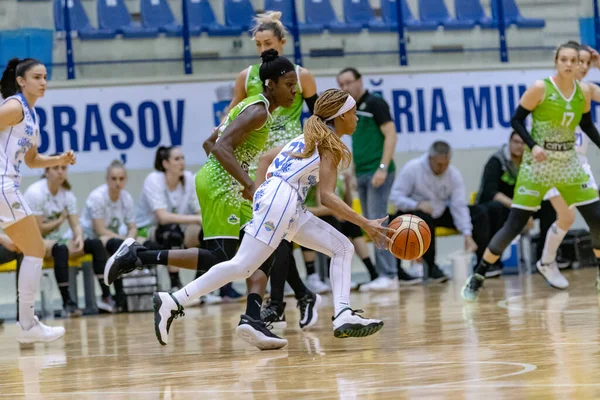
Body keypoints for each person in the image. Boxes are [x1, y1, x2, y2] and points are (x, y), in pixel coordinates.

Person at [108, 88, 387, 351]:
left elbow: (268, 160)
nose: (355, 119)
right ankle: (174, 300)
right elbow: (327, 196)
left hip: (283, 200)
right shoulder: (328, 143)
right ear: (339, 116)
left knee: (342, 247)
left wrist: (260, 191)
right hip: (281, 199)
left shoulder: (311, 136)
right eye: (352, 113)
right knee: (241, 266)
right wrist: (366, 223)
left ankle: (342, 314)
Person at [105, 51, 319, 335]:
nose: (294, 91)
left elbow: (209, 142)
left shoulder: (252, 107)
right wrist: (247, 183)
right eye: (289, 84)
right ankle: (139, 255)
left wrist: (238, 178)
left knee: (269, 244)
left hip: (228, 183)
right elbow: (219, 148)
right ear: (270, 84)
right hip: (221, 185)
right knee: (221, 257)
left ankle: (253, 317)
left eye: (296, 85)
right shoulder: (257, 111)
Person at [204, 11, 320, 325]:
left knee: (275, 230)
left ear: (283, 42)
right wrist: (215, 141)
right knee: (270, 231)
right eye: (258, 43)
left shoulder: (301, 75)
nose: (262, 47)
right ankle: (295, 296)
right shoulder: (247, 76)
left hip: (290, 157)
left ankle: (280, 301)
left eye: (268, 42)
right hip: (254, 157)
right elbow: (232, 114)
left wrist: (318, 148)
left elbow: (318, 116)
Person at [462, 41, 600, 301]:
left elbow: (588, 125)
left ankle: (583, 270)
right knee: (514, 224)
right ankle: (478, 275)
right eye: (565, 59)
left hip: (570, 164)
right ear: (557, 62)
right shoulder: (541, 88)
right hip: (539, 166)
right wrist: (533, 145)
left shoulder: (584, 91)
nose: (570, 64)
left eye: (575, 60)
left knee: (596, 219)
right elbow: (515, 119)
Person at [0, 57, 75, 343]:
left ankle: (28, 324)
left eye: (45, 77)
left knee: (33, 250)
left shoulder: (32, 115)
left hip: (9, 186)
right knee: (34, 249)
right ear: (21, 81)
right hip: (3, 186)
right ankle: (28, 325)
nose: (43, 82)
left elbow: (31, 161)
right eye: (37, 77)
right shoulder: (15, 106)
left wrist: (59, 159)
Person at [535, 42, 600, 287]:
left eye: (586, 62)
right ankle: (547, 261)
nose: (581, 67)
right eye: (577, 61)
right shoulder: (553, 88)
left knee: (576, 219)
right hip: (555, 162)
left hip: (579, 164)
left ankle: (547, 261)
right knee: (569, 215)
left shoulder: (587, 90)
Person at [337, 67, 399, 291]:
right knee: (368, 223)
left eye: (348, 82)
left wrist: (382, 168)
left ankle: (389, 274)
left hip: (377, 172)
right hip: (362, 171)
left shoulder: (375, 103)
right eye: (341, 84)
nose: (345, 88)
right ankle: (384, 273)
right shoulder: (350, 109)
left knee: (377, 220)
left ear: (360, 81)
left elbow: (391, 134)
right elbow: (360, 143)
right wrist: (353, 172)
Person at [390, 141, 487, 281]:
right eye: (439, 164)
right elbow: (395, 197)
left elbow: (458, 206)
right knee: (424, 219)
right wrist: (416, 204)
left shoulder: (453, 174)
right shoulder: (412, 168)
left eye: (446, 164)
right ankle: (431, 268)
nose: (443, 168)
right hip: (414, 212)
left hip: (439, 211)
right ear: (430, 158)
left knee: (479, 213)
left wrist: (467, 233)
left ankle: (482, 264)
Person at [24, 162, 110, 318]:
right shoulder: (35, 192)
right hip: (34, 240)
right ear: (47, 171)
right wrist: (60, 220)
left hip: (55, 241)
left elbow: (75, 224)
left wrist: (78, 237)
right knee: (61, 249)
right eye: (56, 168)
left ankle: (107, 297)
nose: (60, 172)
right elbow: (39, 229)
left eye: (63, 168)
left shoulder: (67, 194)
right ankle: (67, 303)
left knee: (95, 244)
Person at [476, 132, 557, 277]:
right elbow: (490, 192)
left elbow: (538, 189)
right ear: (509, 142)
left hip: (522, 204)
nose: (519, 146)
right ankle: (492, 263)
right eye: (516, 142)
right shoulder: (497, 161)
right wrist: (520, 210)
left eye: (523, 143)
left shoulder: (531, 163)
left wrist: (528, 209)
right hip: (501, 207)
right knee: (495, 209)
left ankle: (544, 258)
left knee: (549, 206)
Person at [135, 146, 203, 292]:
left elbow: (199, 211)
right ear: (165, 164)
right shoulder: (154, 180)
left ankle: (200, 287)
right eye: (177, 159)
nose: (182, 162)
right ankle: (175, 285)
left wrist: (202, 220)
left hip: (179, 227)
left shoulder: (188, 179)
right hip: (148, 229)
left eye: (183, 158)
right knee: (172, 231)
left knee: (206, 232)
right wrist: (197, 219)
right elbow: (163, 218)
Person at [79, 159, 137, 312]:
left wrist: (130, 239)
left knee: (122, 245)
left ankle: (120, 297)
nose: (118, 182)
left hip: (114, 238)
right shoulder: (97, 197)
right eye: (114, 178)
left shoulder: (126, 198)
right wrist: (125, 240)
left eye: (121, 178)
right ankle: (110, 295)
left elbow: (133, 227)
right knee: (114, 245)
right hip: (88, 237)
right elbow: (99, 229)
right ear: (107, 179)